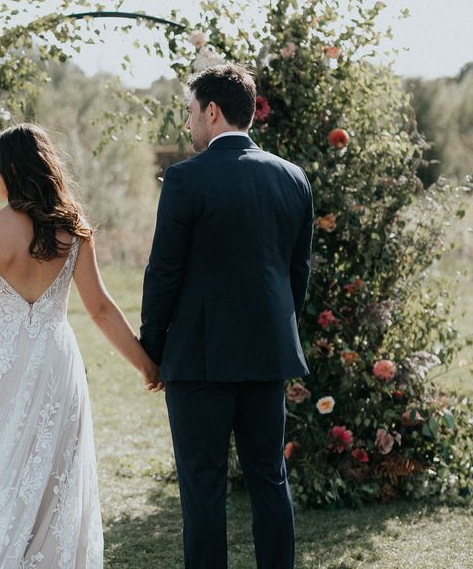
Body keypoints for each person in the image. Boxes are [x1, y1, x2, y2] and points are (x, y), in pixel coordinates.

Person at [0, 123, 160, 569]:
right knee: (53, 477)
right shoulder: (73, 231)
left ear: (10, 169)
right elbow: (101, 309)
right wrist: (145, 365)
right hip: (53, 362)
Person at [139, 63, 313, 569]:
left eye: (191, 112)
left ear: (212, 112)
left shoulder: (186, 178)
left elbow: (164, 272)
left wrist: (153, 347)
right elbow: (295, 274)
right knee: (269, 479)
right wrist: (276, 332)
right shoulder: (293, 178)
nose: (189, 123)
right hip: (267, 355)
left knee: (202, 488)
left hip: (199, 359)